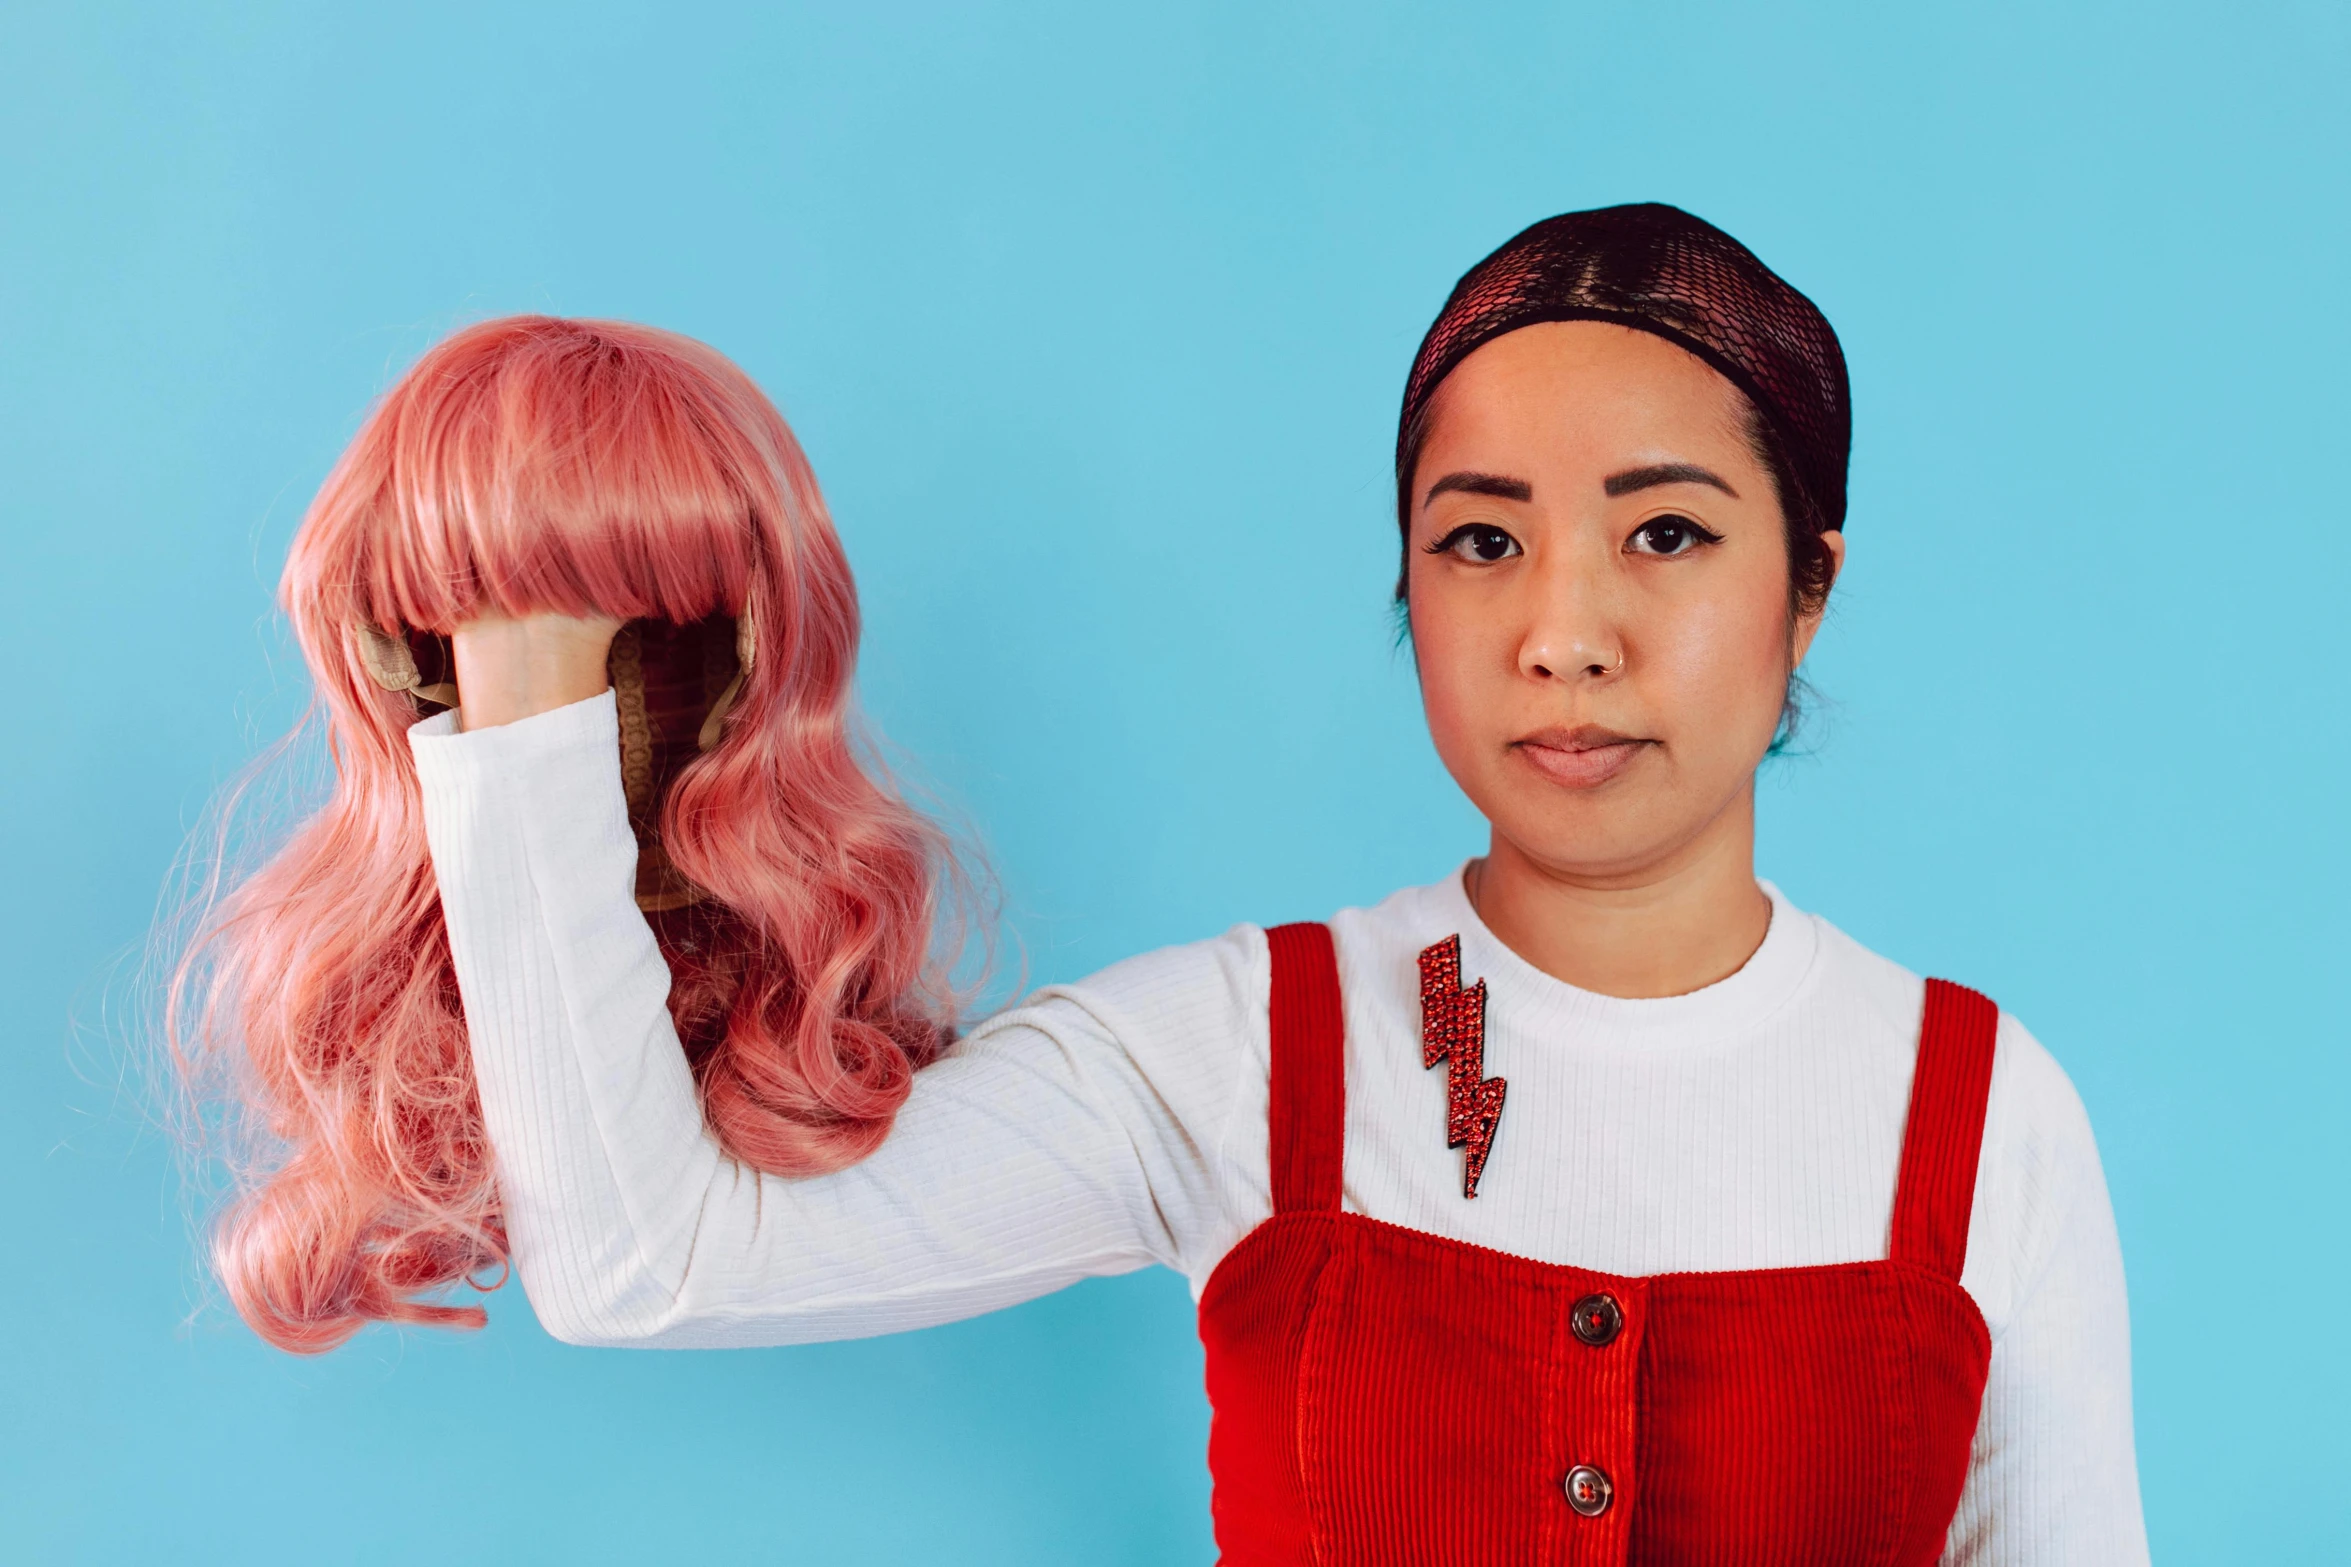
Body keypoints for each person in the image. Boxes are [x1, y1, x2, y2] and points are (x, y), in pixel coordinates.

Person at [224, 207, 2153, 1561]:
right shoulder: (1231, 1052)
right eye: (1479, 541)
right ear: (1408, 592)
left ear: (1807, 581)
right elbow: (655, 1265)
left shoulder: (1986, 1121)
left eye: (1664, 530)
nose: (1564, 632)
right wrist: (531, 679)